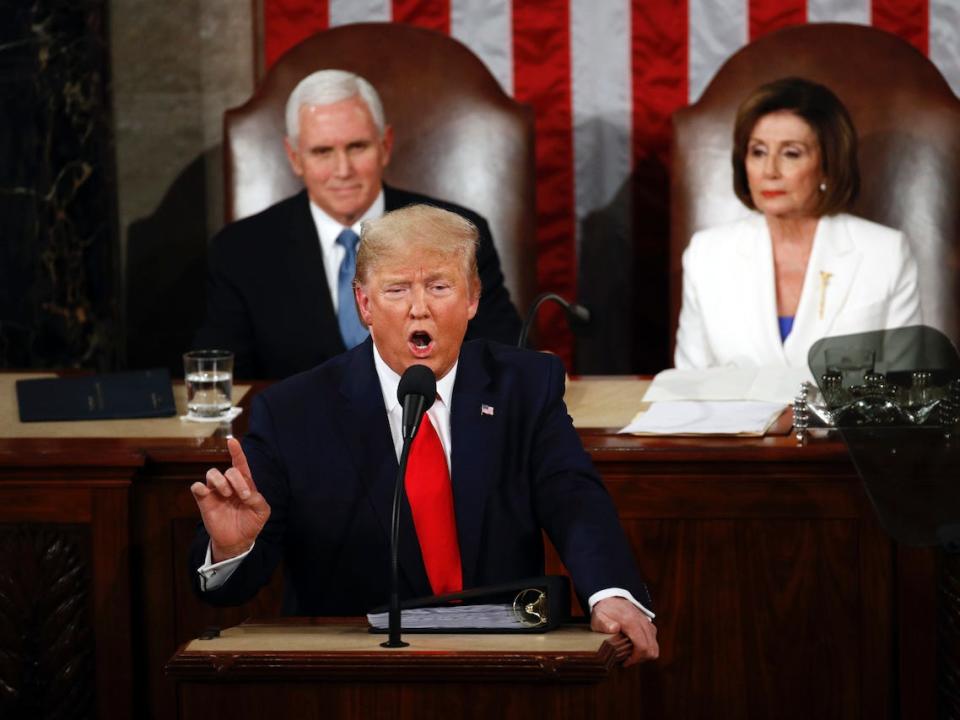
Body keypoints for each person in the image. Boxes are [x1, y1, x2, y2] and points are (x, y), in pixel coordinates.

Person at [189, 204, 658, 665]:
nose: (419, 309)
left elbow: (574, 498)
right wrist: (231, 549)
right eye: (396, 289)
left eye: (439, 286)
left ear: (473, 297)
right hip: (352, 677)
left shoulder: (524, 387)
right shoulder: (294, 412)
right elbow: (233, 589)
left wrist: (610, 592)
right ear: (364, 304)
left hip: (503, 663)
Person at [193, 69, 522, 379]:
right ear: (294, 157)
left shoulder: (455, 233)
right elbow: (225, 382)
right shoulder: (241, 249)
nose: (342, 169)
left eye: (357, 147)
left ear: (385, 146)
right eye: (322, 151)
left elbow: (504, 357)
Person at [674, 77, 921, 370]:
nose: (770, 170)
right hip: (736, 419)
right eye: (758, 151)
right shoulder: (706, 255)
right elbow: (690, 388)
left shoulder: (885, 252)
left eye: (791, 153)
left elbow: (905, 390)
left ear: (828, 166)